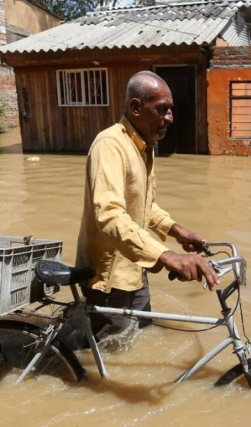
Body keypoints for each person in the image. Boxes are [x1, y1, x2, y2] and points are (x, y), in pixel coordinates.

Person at [75, 70, 220, 344]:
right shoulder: (110, 145)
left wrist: (175, 231)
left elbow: (143, 205)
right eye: (162, 109)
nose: (170, 118)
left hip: (135, 267)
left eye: (171, 110)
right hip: (110, 276)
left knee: (140, 336)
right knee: (110, 353)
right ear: (136, 108)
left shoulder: (144, 146)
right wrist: (166, 256)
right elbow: (110, 216)